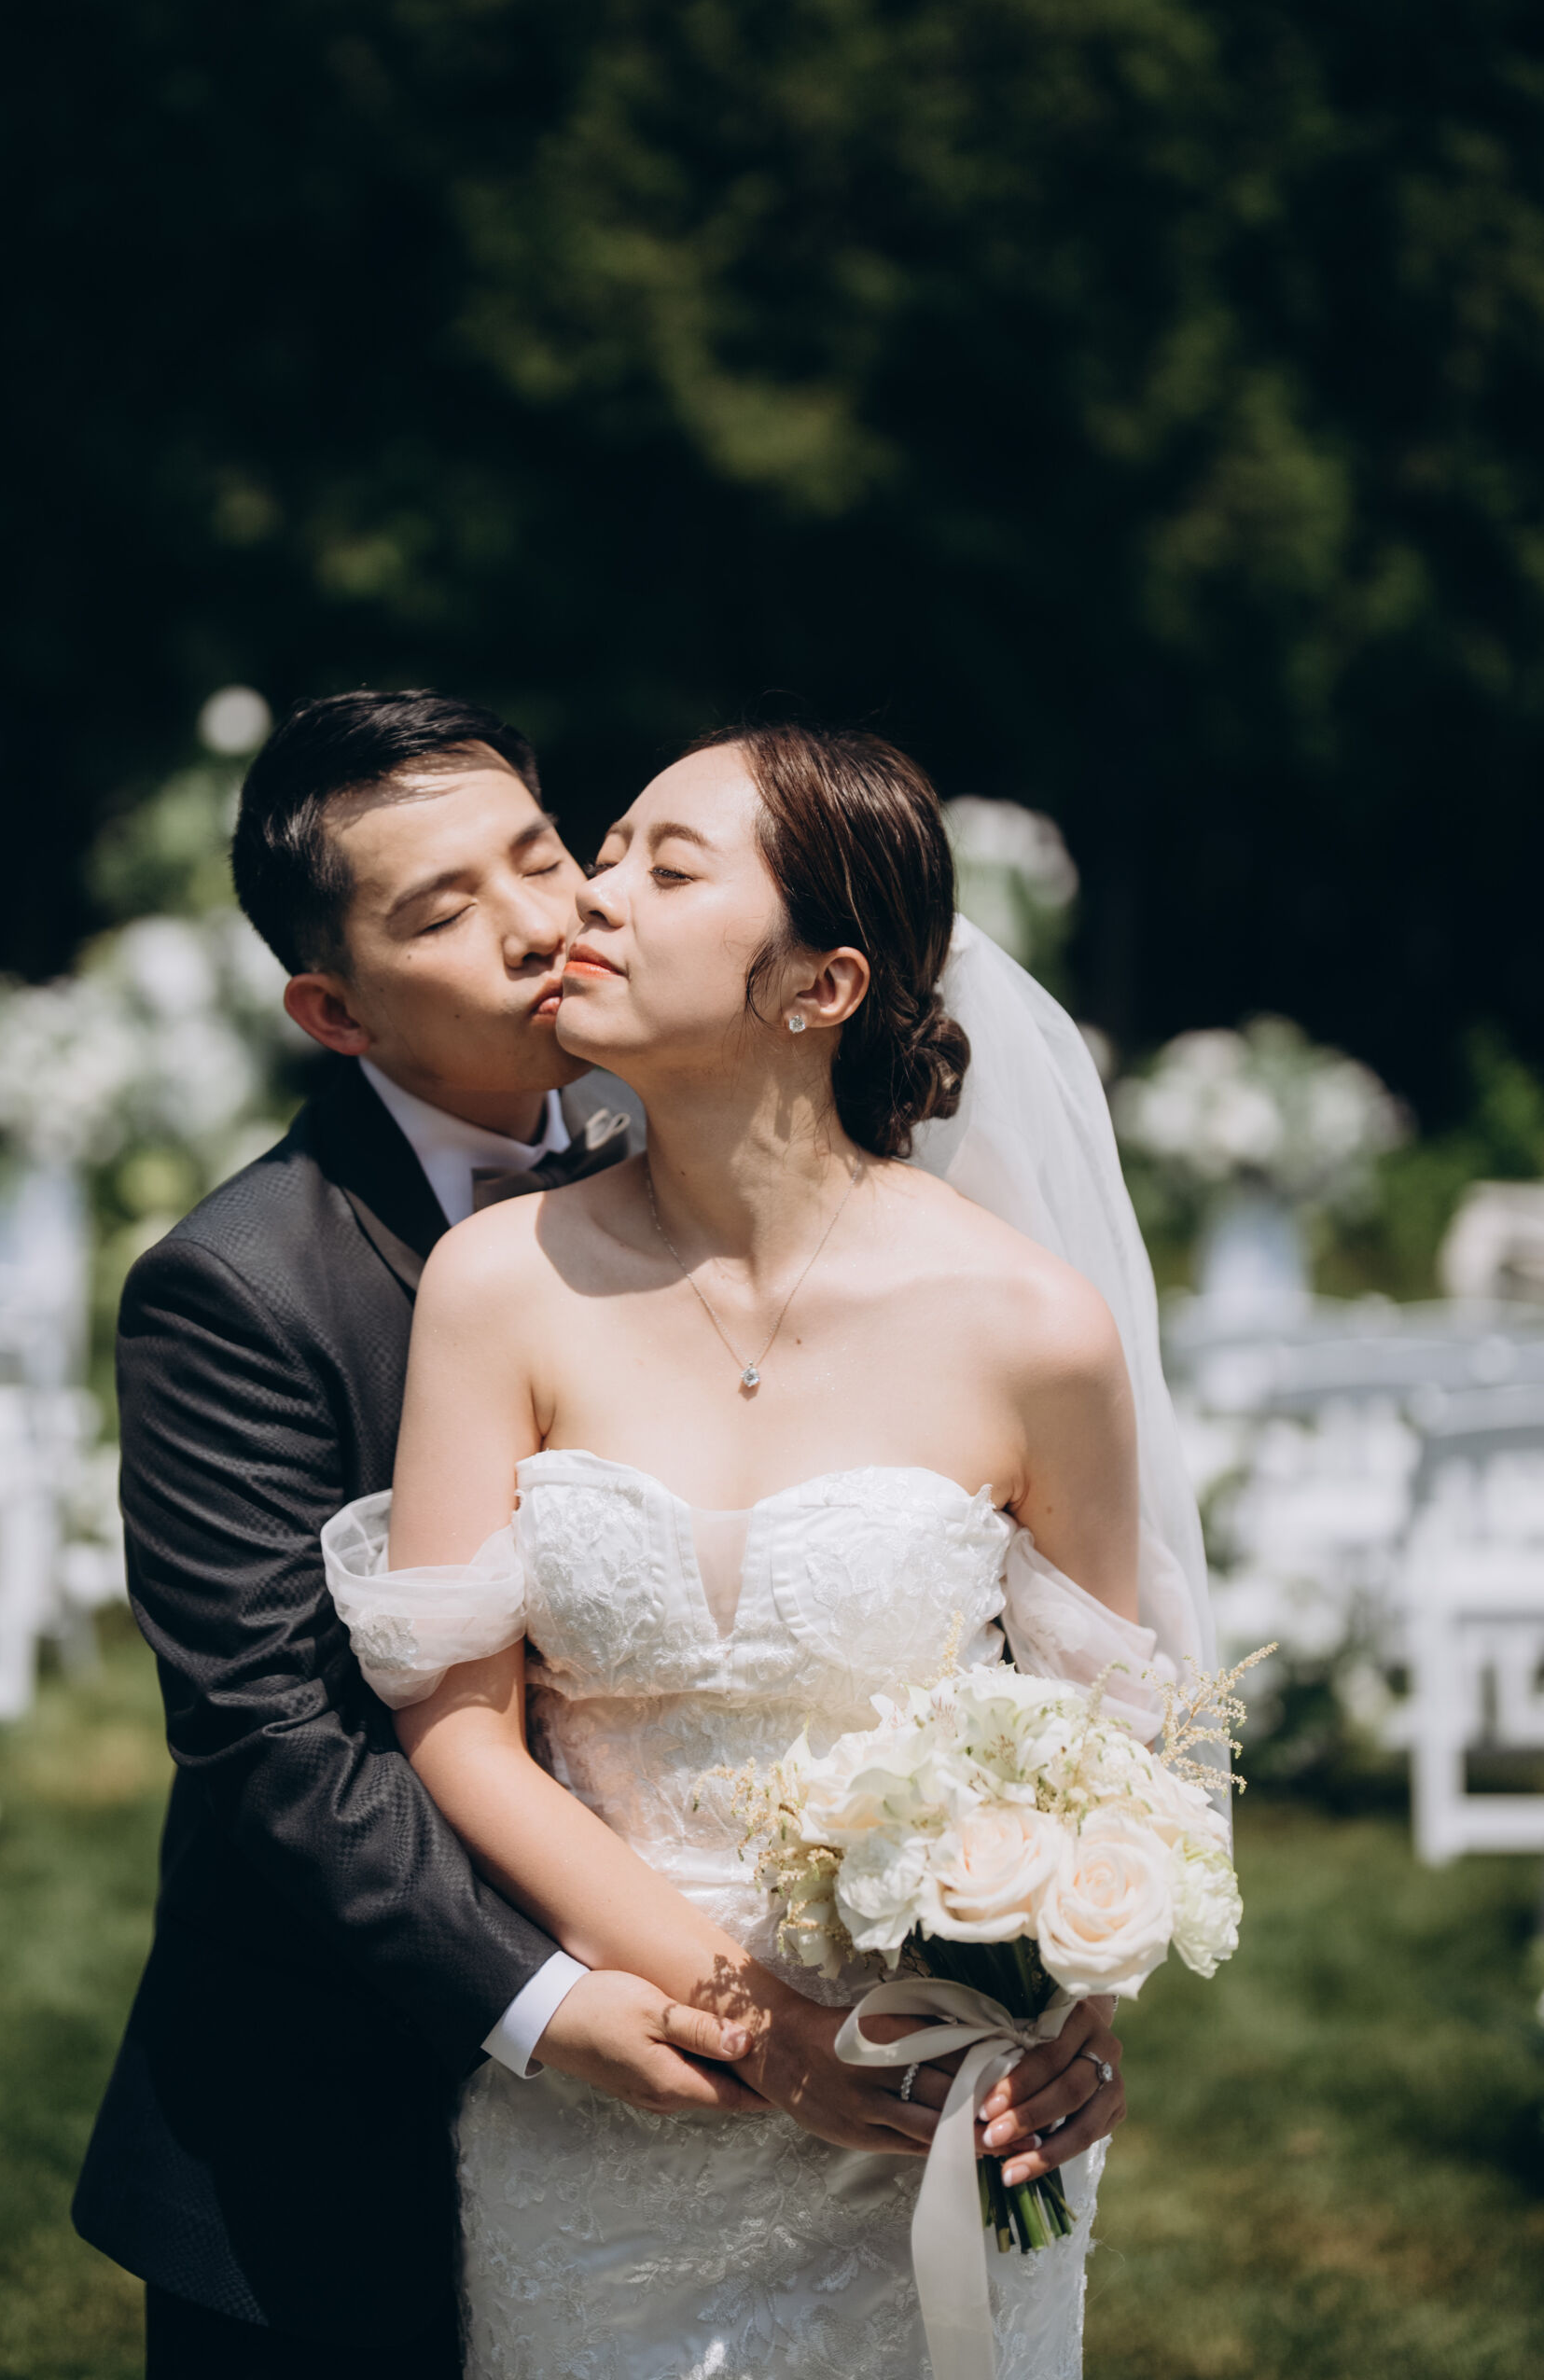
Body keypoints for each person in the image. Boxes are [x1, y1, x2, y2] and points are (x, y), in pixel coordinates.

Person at [327, 722, 1213, 2380]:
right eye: (606, 853)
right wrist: (761, 2022)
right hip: (620, 2085)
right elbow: (457, 1726)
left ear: (823, 986)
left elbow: (1110, 1743)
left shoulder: (1032, 1328)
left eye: (666, 870)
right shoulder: (499, 1285)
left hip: (936, 2102)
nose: (589, 898)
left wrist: (1078, 2002)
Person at [74, 692, 778, 2377]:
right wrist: (540, 2002)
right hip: (330, 2121)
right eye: (446, 912)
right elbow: (265, 1732)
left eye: (542, 855)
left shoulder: (682, 1172)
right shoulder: (239, 1289)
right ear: (335, 1010)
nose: (540, 923)